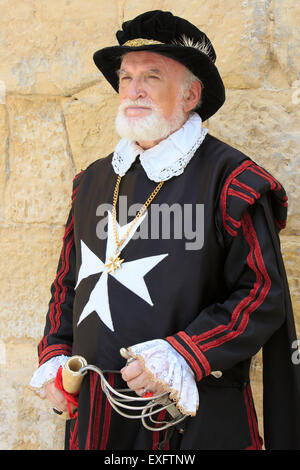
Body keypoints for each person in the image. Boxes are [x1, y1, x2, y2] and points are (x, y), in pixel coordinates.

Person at [30, 10, 300, 450]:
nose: (133, 90)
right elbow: (67, 282)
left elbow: (262, 295)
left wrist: (186, 352)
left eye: (151, 77)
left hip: (191, 419)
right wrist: (55, 355)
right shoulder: (95, 180)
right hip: (96, 421)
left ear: (191, 94)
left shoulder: (231, 180)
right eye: (126, 77)